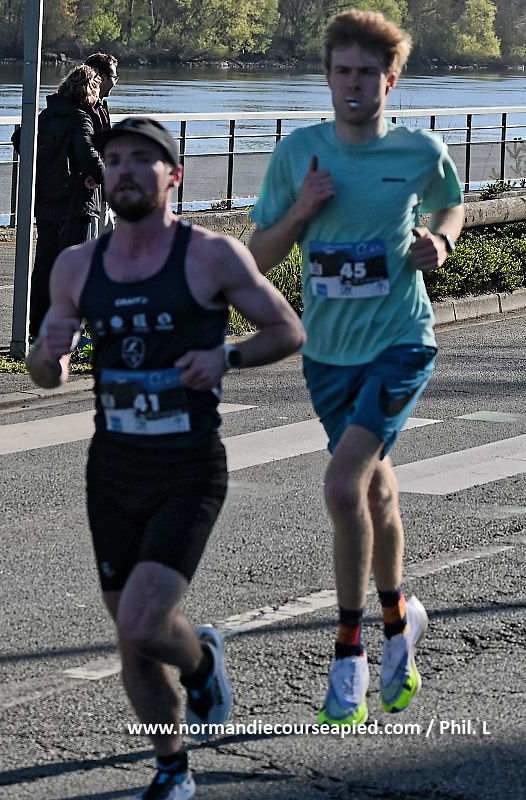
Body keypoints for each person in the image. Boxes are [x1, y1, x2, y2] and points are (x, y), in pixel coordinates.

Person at [27, 117, 305, 800]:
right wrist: (47, 358)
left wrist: (227, 357)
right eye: (113, 159)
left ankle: (201, 660)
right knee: (134, 638)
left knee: (144, 622)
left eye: (141, 159)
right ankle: (172, 766)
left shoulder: (211, 256)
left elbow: (286, 330)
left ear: (174, 175)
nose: (123, 169)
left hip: (187, 468)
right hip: (112, 471)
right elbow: (47, 367)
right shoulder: (77, 266)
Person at [248, 9, 464, 728]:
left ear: (389, 81)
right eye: (342, 71)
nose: (353, 84)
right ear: (328, 75)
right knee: (374, 490)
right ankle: (402, 619)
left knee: (343, 485)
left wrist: (440, 242)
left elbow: (451, 206)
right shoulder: (299, 155)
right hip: (327, 354)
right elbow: (258, 257)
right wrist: (301, 212)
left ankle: (349, 653)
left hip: (400, 343)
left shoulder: (420, 150)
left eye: (366, 73)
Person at [28, 64, 104, 339]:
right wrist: (99, 175)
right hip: (74, 201)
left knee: (44, 266)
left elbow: (20, 139)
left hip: (46, 198)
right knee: (74, 267)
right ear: (89, 90)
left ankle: (37, 327)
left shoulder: (46, 115)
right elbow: (86, 152)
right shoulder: (80, 118)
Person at [84, 53, 119, 235]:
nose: (115, 83)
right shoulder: (87, 110)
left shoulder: (100, 107)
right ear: (103, 78)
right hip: (91, 193)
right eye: (114, 78)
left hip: (102, 191)